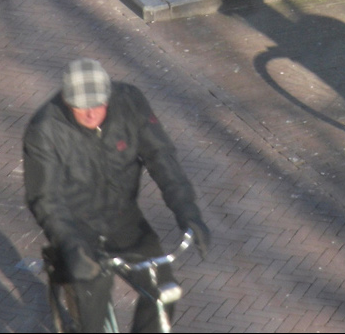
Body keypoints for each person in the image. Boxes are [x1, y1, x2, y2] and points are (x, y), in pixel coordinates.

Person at [23, 59, 211, 333]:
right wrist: (72, 246)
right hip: (77, 229)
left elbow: (161, 158)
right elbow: (45, 199)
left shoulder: (130, 103)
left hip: (124, 220)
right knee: (92, 307)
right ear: (66, 101)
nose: (91, 114)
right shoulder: (44, 130)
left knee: (164, 292)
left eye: (98, 104)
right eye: (81, 107)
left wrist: (188, 211)